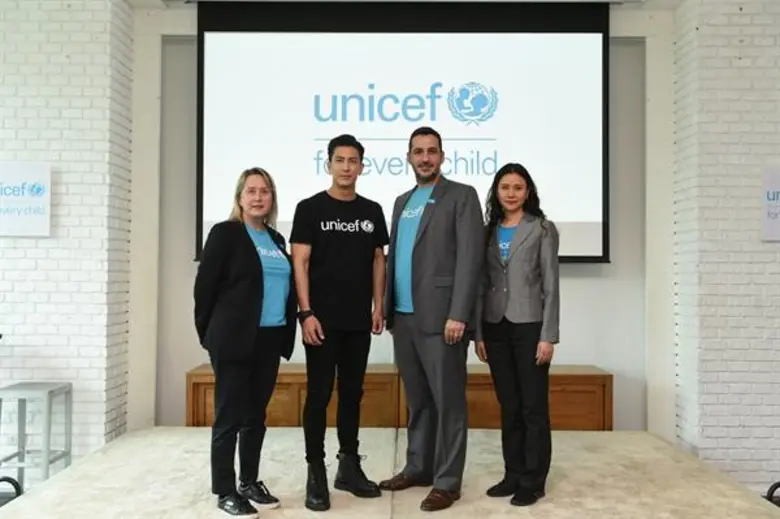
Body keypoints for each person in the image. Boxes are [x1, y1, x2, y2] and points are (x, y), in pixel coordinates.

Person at [379, 126, 484, 512]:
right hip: (404, 317)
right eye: (418, 151)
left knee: (448, 402)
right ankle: (418, 467)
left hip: (443, 320)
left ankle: (447, 481)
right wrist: (386, 307)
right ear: (408, 157)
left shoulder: (461, 195)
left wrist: (459, 314)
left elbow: (470, 259)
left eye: (432, 151)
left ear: (442, 156)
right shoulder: (401, 201)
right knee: (418, 401)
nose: (425, 158)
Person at [290, 134, 390, 512]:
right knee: (319, 395)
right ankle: (315, 470)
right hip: (320, 321)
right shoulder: (309, 208)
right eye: (340, 160)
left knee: (352, 393)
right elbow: (300, 262)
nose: (346, 167)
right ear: (329, 164)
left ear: (362, 166)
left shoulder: (372, 210)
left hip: (357, 321)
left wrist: (378, 306)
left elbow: (378, 260)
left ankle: (348, 465)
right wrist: (305, 313)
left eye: (353, 161)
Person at [193, 167, 298, 516]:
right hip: (234, 339)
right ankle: (224, 490)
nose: (258, 197)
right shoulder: (226, 234)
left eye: (264, 191)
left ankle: (249, 482)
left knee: (256, 416)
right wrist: (209, 334)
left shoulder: (276, 240)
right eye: (251, 191)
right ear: (239, 197)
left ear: (272, 198)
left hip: (270, 338)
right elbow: (204, 289)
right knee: (229, 416)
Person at [473, 162, 560, 507]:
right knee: (509, 405)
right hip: (495, 326)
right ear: (496, 192)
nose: (511, 193)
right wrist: (479, 333)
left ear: (528, 192)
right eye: (505, 187)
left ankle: (533, 481)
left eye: (518, 187)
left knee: (532, 406)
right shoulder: (487, 231)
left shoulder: (541, 228)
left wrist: (548, 336)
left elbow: (551, 286)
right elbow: (481, 285)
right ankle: (513, 474)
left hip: (530, 327)